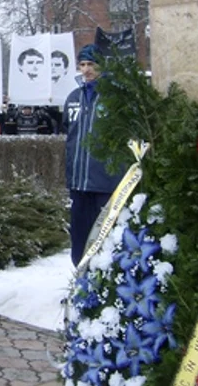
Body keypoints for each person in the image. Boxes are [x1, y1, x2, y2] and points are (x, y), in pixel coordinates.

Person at [64, 44, 124, 266]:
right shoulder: (72, 98)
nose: (87, 70)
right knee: (79, 238)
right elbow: (69, 134)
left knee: (105, 239)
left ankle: (103, 285)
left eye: (92, 64)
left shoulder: (115, 97)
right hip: (78, 184)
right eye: (82, 64)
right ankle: (80, 283)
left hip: (106, 183)